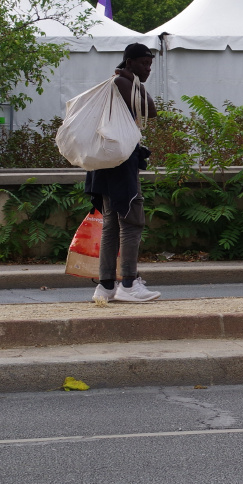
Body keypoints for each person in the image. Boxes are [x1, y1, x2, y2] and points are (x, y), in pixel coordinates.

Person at [88, 42, 161, 304]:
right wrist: (136, 81)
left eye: (150, 64)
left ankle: (106, 285)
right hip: (119, 162)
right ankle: (128, 284)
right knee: (131, 221)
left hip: (106, 162)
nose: (148, 69)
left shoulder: (118, 82)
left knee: (111, 223)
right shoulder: (122, 83)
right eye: (143, 63)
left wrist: (136, 79)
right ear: (129, 62)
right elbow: (151, 110)